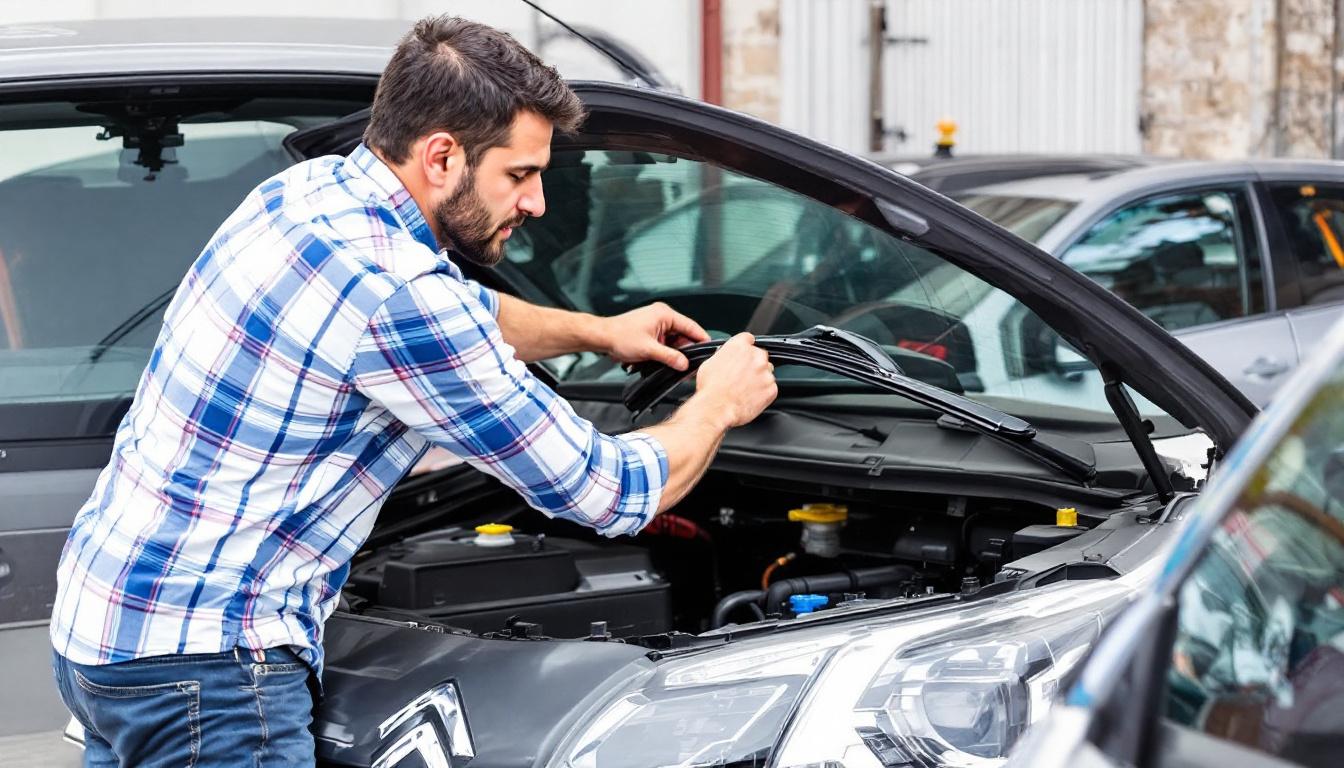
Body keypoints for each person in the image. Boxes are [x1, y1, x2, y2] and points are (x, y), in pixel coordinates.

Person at [49, 15, 776, 767]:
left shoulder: (305, 195)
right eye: (519, 175)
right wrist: (718, 401)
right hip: (209, 670)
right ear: (441, 156)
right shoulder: (401, 296)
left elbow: (472, 312)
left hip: (108, 631)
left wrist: (597, 331)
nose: (537, 204)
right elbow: (607, 492)